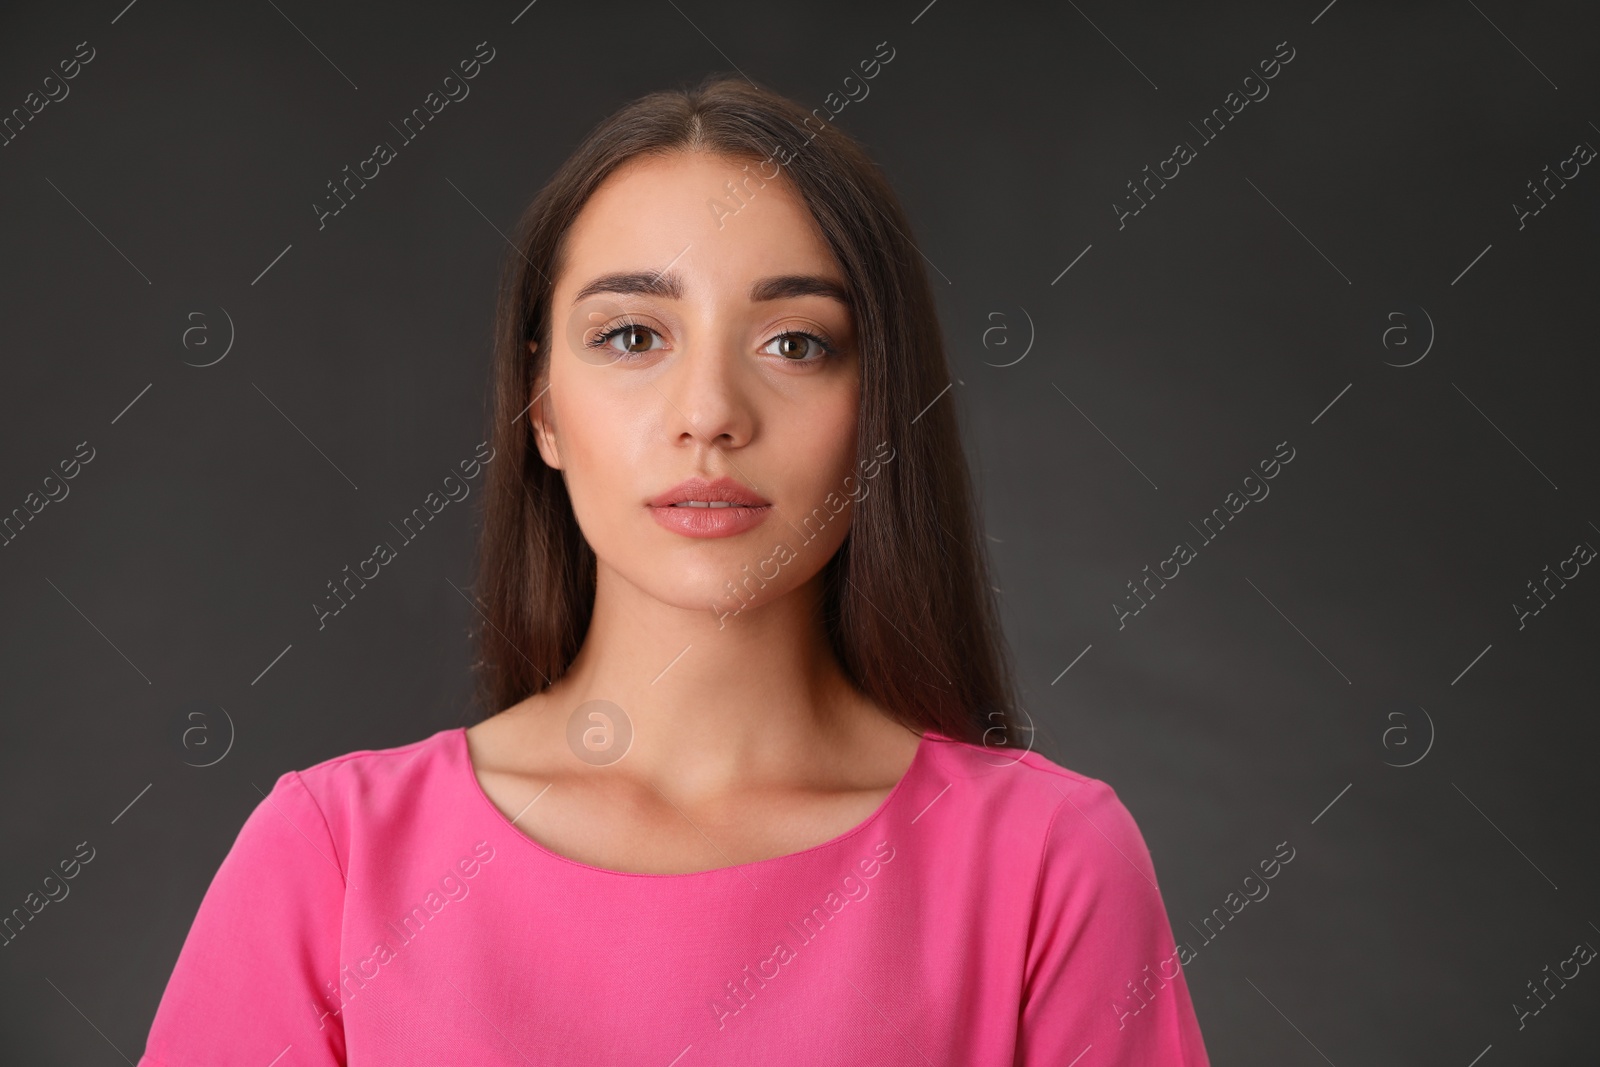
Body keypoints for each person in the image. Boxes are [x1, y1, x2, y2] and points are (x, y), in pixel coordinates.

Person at [138, 74, 1209, 1065]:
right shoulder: (330, 861)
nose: (709, 414)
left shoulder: (1046, 865)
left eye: (794, 343)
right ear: (542, 405)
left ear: (878, 406)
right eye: (633, 335)